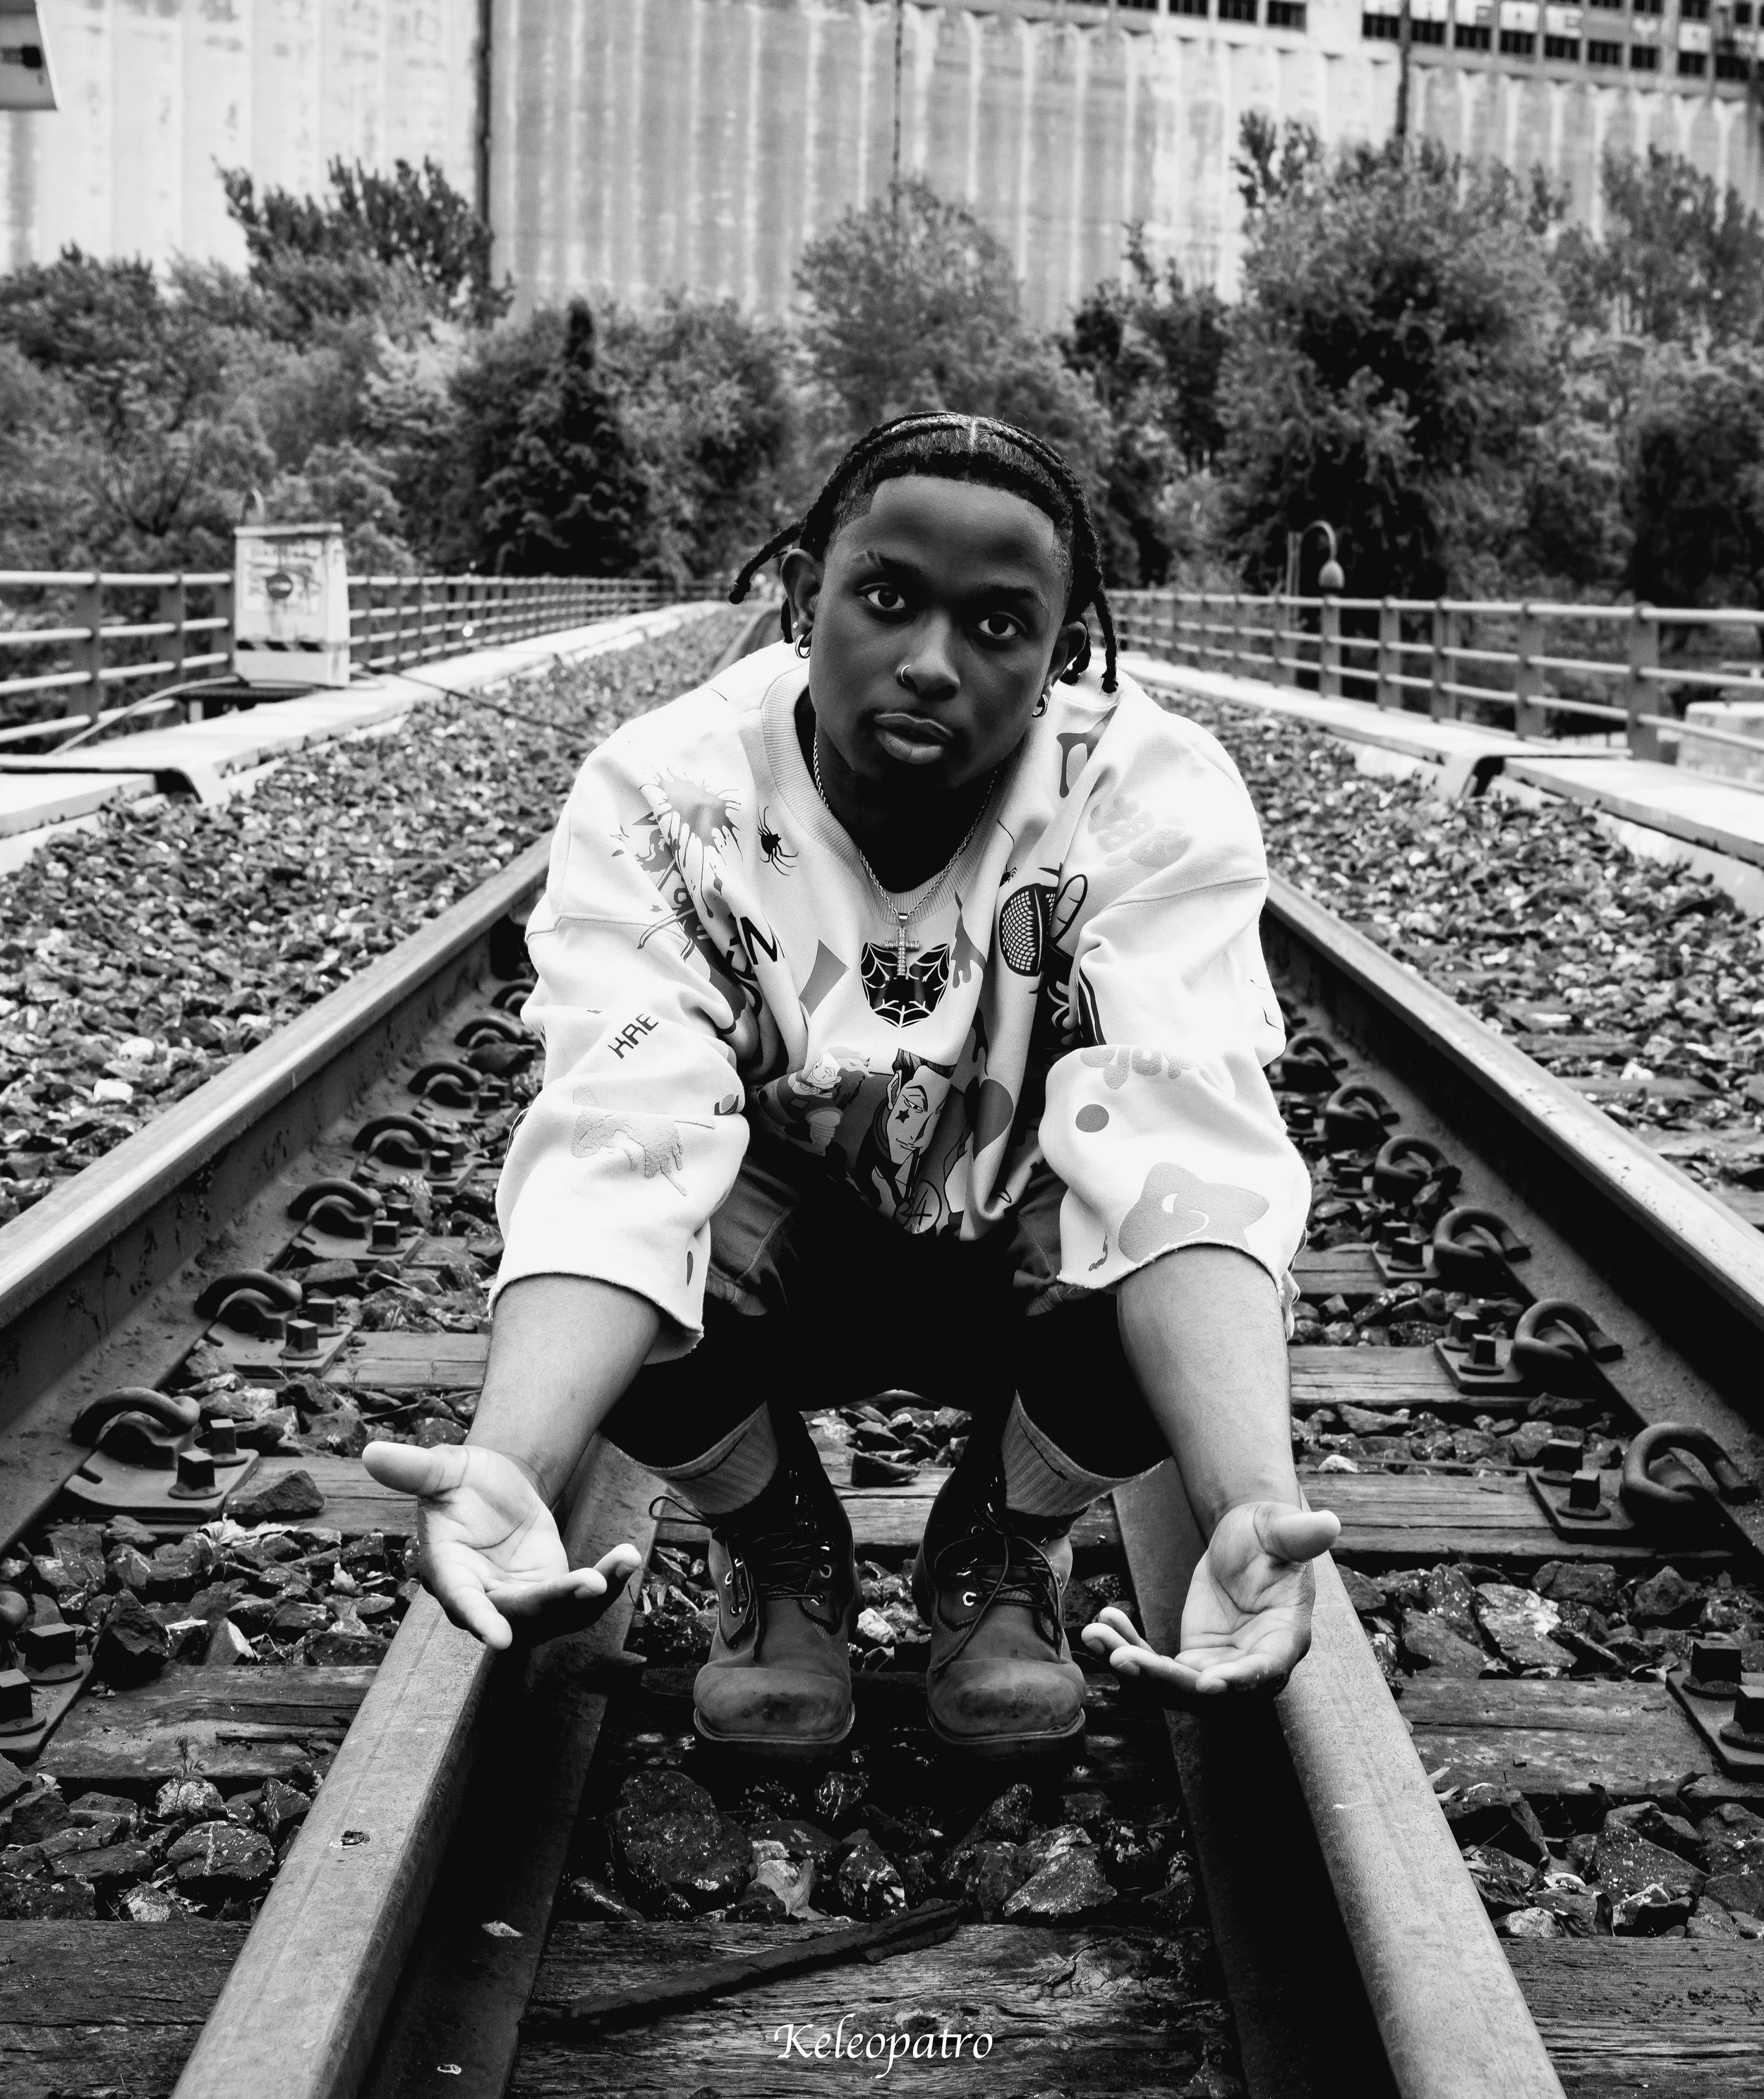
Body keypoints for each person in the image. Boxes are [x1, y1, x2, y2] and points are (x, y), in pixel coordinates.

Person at [366, 411, 1339, 1751]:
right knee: (625, 1256)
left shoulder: (1144, 794)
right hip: (789, 1255)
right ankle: (779, 1546)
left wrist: (1246, 1496)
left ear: (1064, 658)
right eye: (886, 598)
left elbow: (1185, 1141)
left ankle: (1003, 1542)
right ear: (798, 594)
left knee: (1174, 1262)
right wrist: (515, 1457)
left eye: (1000, 627)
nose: (932, 663)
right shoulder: (669, 793)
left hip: (1014, 1246)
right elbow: (618, 1135)